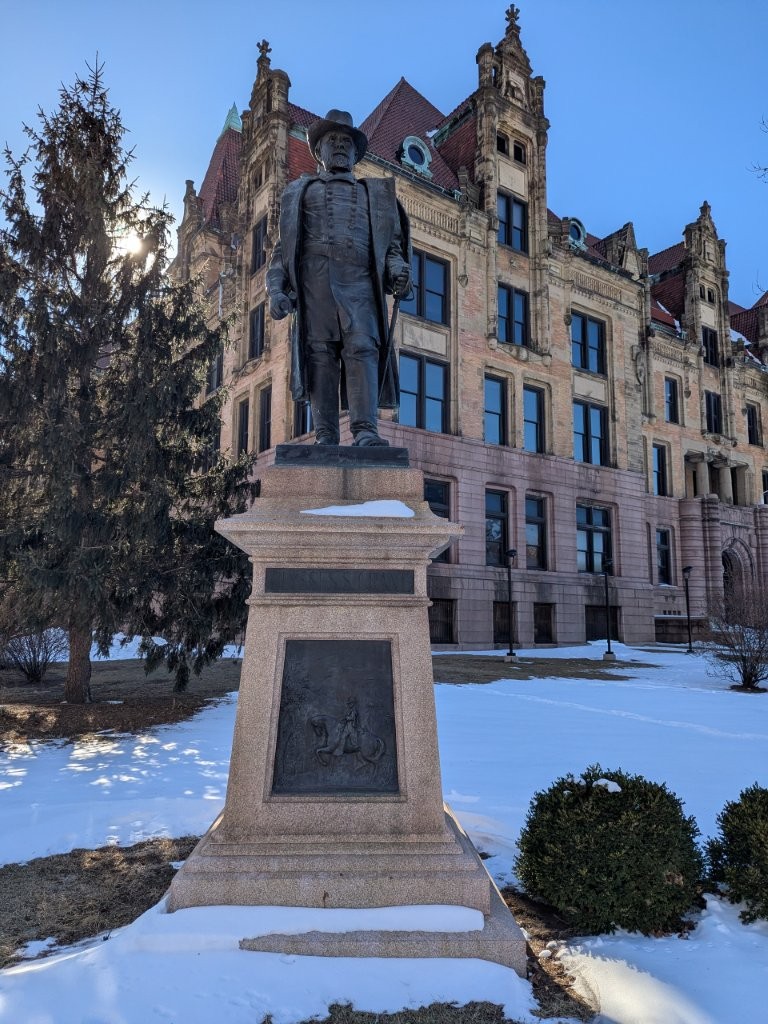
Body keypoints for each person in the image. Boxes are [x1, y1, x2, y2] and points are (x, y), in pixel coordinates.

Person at [266, 109, 411, 446]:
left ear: (357, 152)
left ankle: (365, 431)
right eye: (333, 140)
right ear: (319, 152)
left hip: (360, 282)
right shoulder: (297, 193)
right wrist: (276, 290)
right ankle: (326, 435)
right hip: (313, 283)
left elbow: (391, 247)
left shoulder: (375, 195)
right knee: (320, 355)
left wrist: (399, 271)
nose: (341, 145)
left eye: (347, 141)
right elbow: (282, 252)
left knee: (362, 348)